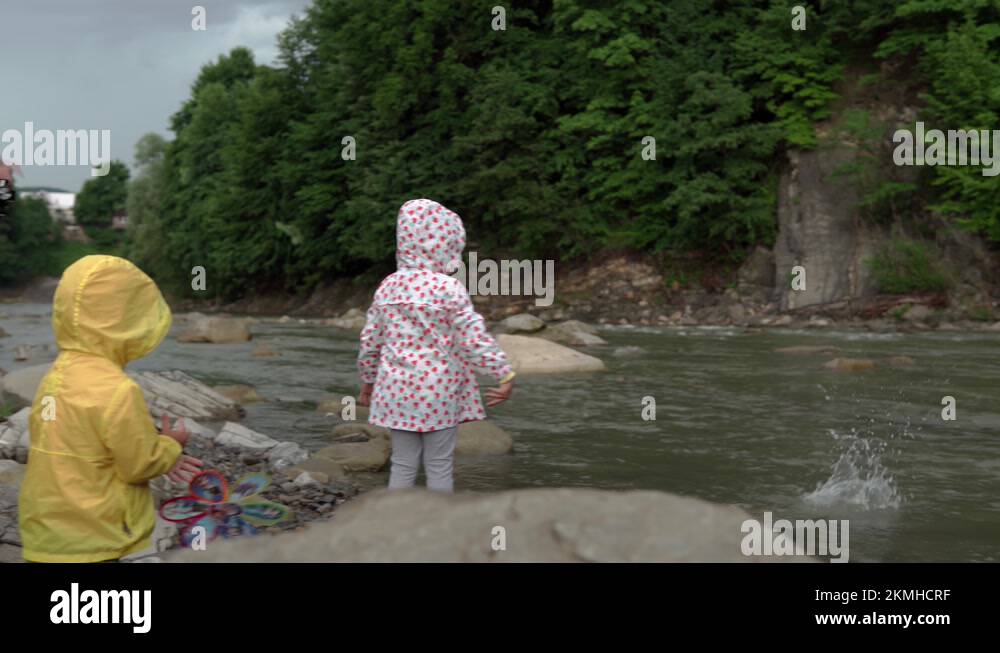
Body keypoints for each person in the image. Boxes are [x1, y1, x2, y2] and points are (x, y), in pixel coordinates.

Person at [18, 255, 202, 562]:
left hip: (45, 532)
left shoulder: (55, 375)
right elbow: (139, 465)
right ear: (126, 321)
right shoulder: (118, 390)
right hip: (95, 536)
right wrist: (171, 445)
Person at [357, 199, 515, 492]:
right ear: (447, 245)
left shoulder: (389, 286)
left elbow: (370, 341)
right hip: (438, 391)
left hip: (396, 389)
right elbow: (472, 338)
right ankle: (438, 526)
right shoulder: (448, 288)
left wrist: (368, 380)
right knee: (439, 465)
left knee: (402, 464)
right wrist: (503, 373)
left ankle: (393, 525)